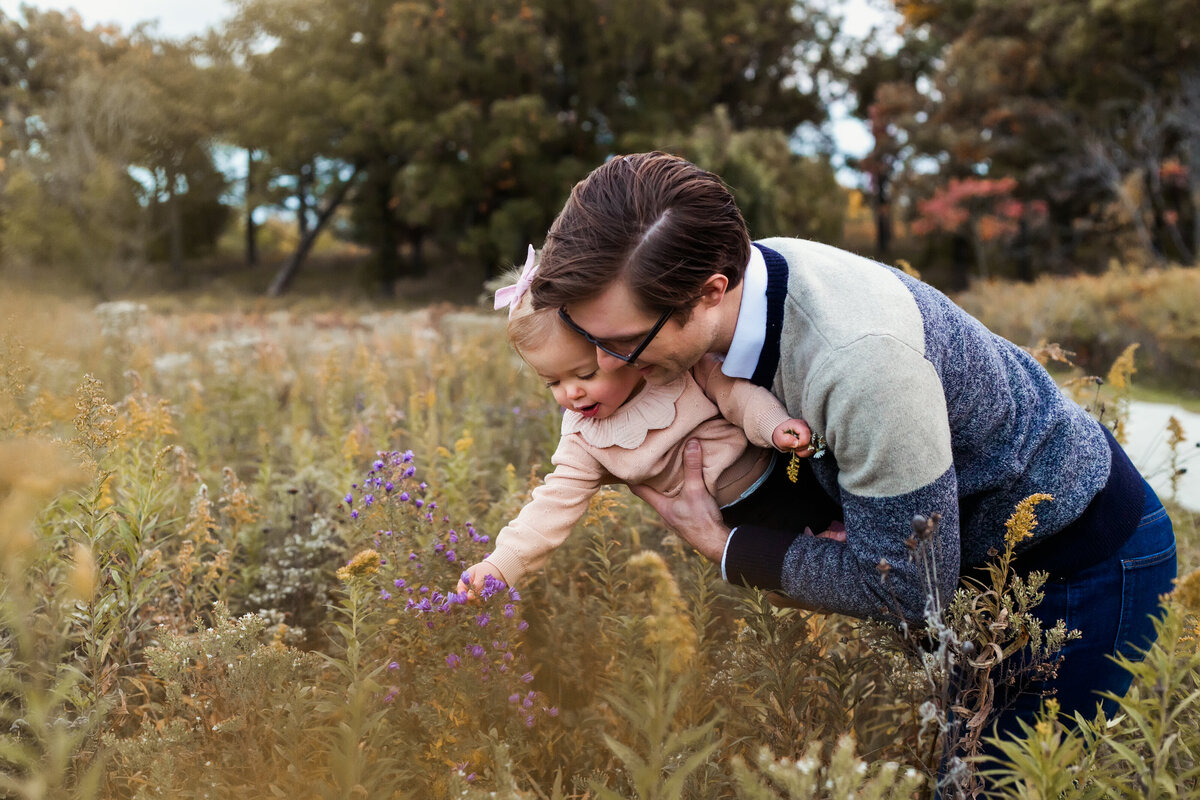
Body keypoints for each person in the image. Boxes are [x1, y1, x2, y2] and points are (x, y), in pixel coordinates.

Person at [527, 152, 1177, 739]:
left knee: (994, 783)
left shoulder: (860, 364)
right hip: (983, 563)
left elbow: (907, 590)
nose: (605, 366)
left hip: (1082, 561)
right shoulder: (738, 276)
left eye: (620, 346)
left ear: (708, 294)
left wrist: (722, 545)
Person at [457, 246, 844, 595]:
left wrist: (774, 426)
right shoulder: (584, 439)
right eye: (552, 383)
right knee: (807, 561)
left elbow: (734, 395)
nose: (570, 394)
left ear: (616, 348)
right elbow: (551, 506)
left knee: (843, 501)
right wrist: (499, 565)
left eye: (585, 375)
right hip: (737, 516)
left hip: (778, 466)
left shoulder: (675, 371)